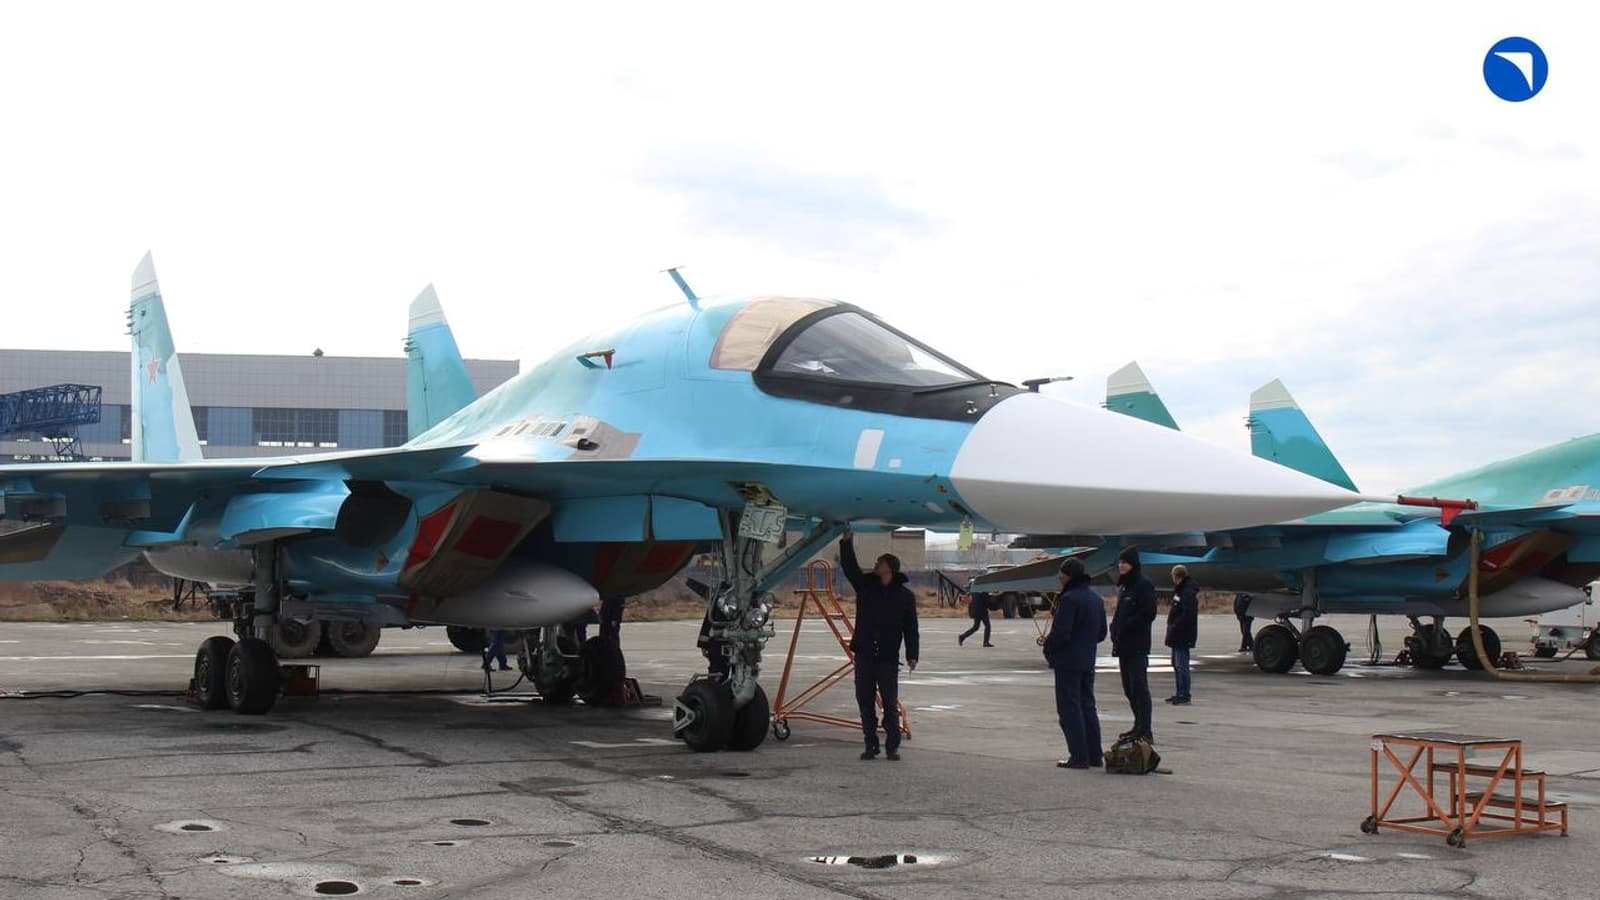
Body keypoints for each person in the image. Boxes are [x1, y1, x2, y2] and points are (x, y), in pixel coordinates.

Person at [840, 526, 919, 761]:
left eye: (879, 562)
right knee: (864, 701)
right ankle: (870, 744)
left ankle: (892, 746)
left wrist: (912, 654)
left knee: (889, 702)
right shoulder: (866, 586)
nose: (875, 564)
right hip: (865, 655)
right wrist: (846, 543)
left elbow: (911, 628)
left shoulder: (905, 596)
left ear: (889, 568)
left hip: (887, 657)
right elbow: (850, 568)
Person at [1043, 557, 1106, 769]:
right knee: (1088, 706)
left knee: (1069, 708)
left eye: (1061, 573)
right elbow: (1101, 633)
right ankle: (1094, 754)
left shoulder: (1069, 599)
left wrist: (1048, 647)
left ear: (1068, 575)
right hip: (1087, 659)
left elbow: (1061, 633)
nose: (1059, 576)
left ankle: (1079, 756)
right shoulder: (1096, 598)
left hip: (1068, 661)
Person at [1109, 547, 1157, 742]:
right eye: (1120, 562)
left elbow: (1148, 613)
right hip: (1123, 646)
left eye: (1125, 562)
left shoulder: (1143, 585)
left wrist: (1127, 626)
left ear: (1134, 564)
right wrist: (1114, 629)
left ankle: (1145, 729)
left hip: (1137, 645)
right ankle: (1138, 725)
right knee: (1128, 688)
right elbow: (1120, 612)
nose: (1122, 566)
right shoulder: (1125, 586)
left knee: (1139, 688)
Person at [1165, 565, 1198, 705]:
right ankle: (1180, 692)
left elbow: (1187, 613)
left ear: (1176, 576)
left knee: (1182, 664)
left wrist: (1175, 626)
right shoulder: (1181, 590)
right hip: (1177, 633)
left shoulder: (1187, 592)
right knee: (1176, 664)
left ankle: (1184, 694)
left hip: (1182, 634)